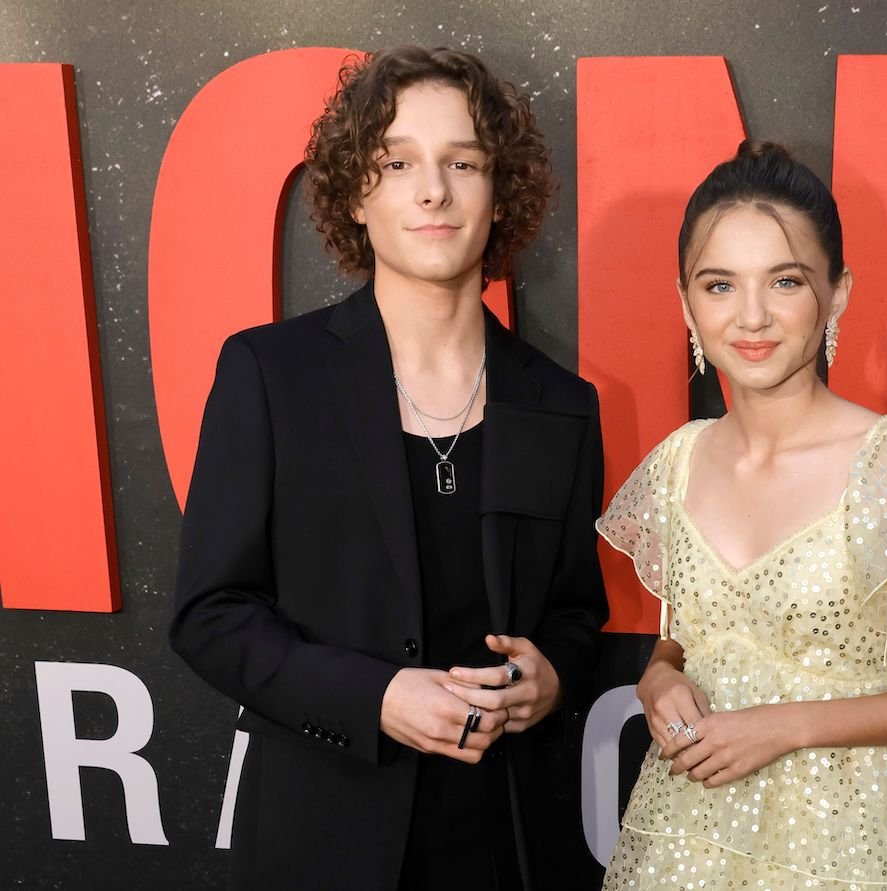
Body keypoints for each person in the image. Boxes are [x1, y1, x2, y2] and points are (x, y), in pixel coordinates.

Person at [170, 46, 608, 891]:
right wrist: (375, 697)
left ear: (499, 192)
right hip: (323, 840)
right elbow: (210, 615)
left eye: (463, 162)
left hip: (505, 842)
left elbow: (576, 613)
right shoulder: (271, 375)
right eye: (398, 162)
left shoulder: (561, 401)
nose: (433, 189)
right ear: (356, 195)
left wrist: (550, 677)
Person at [597, 140, 887, 890]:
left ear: (839, 291)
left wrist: (784, 724)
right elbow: (681, 641)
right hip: (693, 831)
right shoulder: (678, 462)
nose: (751, 316)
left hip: (850, 838)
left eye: (785, 280)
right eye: (719, 284)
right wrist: (656, 682)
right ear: (685, 301)